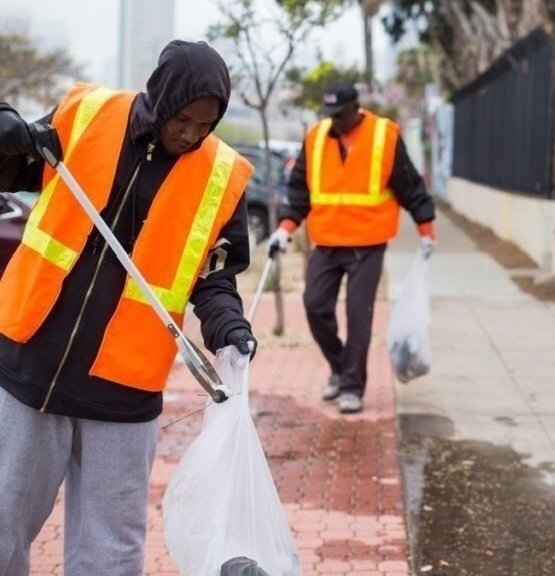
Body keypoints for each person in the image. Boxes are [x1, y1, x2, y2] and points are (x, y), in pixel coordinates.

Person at [0, 40, 257, 576]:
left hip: (124, 386)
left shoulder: (221, 177)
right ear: (159, 96)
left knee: (111, 553)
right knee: (2, 529)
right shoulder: (85, 114)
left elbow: (213, 279)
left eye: (205, 124)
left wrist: (229, 326)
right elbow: (13, 168)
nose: (190, 134)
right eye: (182, 118)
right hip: (30, 364)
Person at [267, 82, 436, 414]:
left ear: (354, 108)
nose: (333, 120)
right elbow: (300, 189)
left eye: (339, 114)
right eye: (329, 114)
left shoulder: (384, 135)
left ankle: (351, 386)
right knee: (315, 305)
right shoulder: (316, 137)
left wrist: (426, 229)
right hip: (326, 242)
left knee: (359, 315)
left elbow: (409, 185)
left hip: (367, 244)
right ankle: (340, 366)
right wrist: (285, 229)